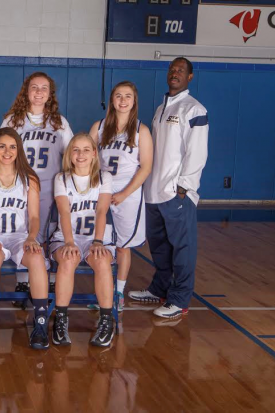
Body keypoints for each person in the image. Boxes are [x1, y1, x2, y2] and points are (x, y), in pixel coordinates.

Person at [128, 57, 209, 318]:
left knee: (182, 249)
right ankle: (160, 289)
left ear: (190, 77)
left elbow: (197, 154)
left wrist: (183, 188)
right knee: (160, 247)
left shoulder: (194, 109)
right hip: (154, 191)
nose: (175, 73)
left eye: (181, 70)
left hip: (177, 194)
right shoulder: (161, 108)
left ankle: (180, 300)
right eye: (172, 69)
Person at [0, 127, 50, 350]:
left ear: (19, 150)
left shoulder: (29, 179)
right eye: (2, 146)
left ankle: (41, 323)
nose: (7, 151)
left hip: (19, 236)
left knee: (35, 258)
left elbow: (34, 217)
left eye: (12, 147)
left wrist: (32, 238)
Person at [2, 72, 73, 298]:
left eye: (44, 88)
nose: (39, 92)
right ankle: (23, 280)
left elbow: (70, 154)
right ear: (26, 91)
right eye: (34, 87)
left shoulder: (59, 122)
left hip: (49, 185)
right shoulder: (13, 120)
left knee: (48, 231)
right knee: (22, 229)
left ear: (50, 93)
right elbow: (2, 151)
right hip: (19, 185)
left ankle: (49, 278)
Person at [89, 81, 153, 312]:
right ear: (112, 100)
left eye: (128, 96)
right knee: (102, 245)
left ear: (134, 101)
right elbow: (88, 159)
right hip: (102, 192)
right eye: (118, 95)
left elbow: (145, 167)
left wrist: (125, 193)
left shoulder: (140, 130)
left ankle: (118, 293)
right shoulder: (99, 126)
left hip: (129, 194)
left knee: (123, 246)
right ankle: (103, 293)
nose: (123, 100)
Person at [50, 134, 117, 347]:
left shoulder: (105, 177)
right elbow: (64, 212)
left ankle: (107, 319)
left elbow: (101, 210)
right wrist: (69, 242)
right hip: (65, 236)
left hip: (95, 238)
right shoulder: (61, 178)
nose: (81, 155)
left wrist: (97, 241)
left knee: (102, 261)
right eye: (76, 150)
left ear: (94, 153)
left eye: (86, 149)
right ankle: (60, 319)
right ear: (70, 154)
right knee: (68, 260)